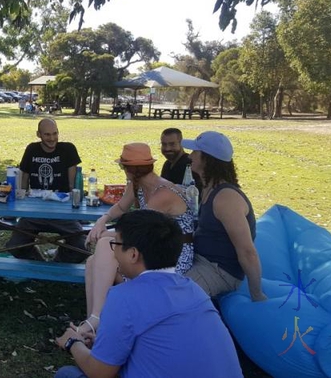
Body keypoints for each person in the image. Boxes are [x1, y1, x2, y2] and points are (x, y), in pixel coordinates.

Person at [54, 210, 242, 378]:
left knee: (66, 374)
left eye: (115, 244)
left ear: (133, 254)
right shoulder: (193, 290)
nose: (114, 252)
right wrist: (106, 342)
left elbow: (99, 372)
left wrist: (72, 343)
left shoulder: (124, 297)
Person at [80, 143, 195, 338]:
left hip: (171, 254)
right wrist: (102, 220)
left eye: (123, 166)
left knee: (106, 245)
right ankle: (94, 320)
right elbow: (121, 207)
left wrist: (100, 234)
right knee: (93, 261)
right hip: (149, 245)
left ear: (132, 170)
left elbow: (135, 231)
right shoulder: (138, 185)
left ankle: (96, 320)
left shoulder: (163, 193)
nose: (123, 170)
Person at [182, 131, 267, 301]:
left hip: (219, 271)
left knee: (173, 295)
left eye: (195, 152)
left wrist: (257, 294)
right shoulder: (208, 188)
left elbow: (247, 251)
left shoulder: (226, 198)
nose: (190, 156)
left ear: (207, 159)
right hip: (201, 259)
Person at [5, 118, 87, 263]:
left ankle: (57, 261)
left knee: (82, 248)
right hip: (34, 209)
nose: (52, 138)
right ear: (39, 134)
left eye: (55, 134)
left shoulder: (68, 149)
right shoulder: (32, 149)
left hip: (62, 210)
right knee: (15, 245)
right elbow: (24, 176)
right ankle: (38, 261)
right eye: (47, 134)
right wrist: (22, 201)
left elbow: (72, 184)